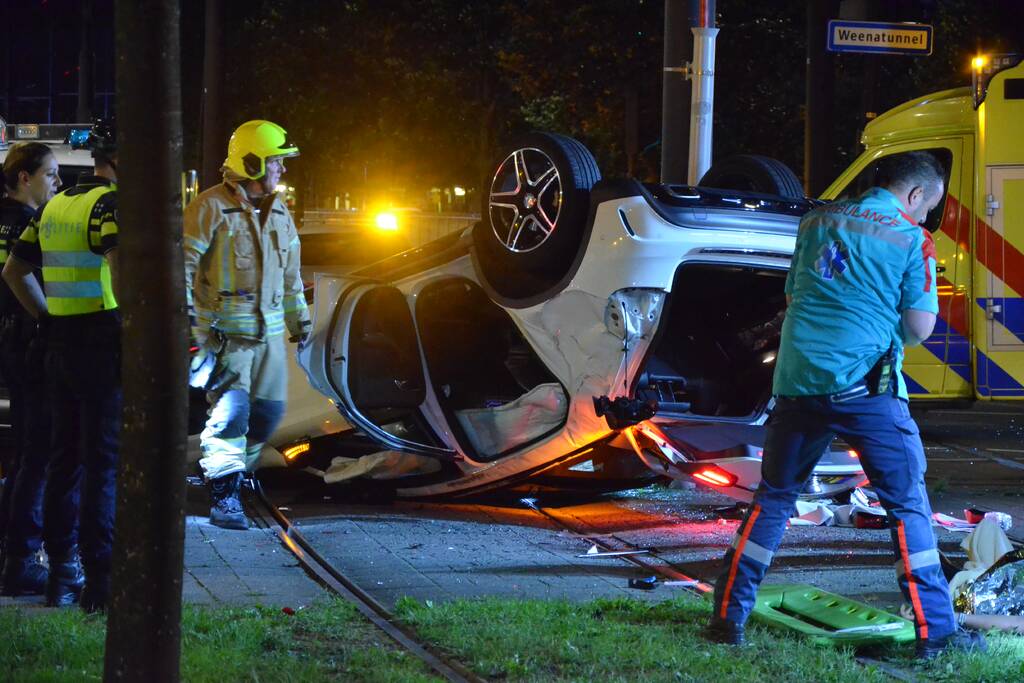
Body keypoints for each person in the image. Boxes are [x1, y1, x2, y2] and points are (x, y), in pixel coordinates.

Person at [704, 152, 987, 660]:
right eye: (929, 207)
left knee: (773, 499)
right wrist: (885, 335)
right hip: (867, 391)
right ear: (915, 195)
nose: (925, 218)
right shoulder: (909, 238)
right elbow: (920, 327)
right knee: (907, 506)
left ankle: (728, 617)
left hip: (796, 384)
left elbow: (796, 295)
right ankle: (937, 633)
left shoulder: (816, 221)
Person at [1, 118, 121, 611]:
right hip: (101, 345)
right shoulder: (110, 206)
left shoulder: (54, 207)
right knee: (102, 466)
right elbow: (124, 275)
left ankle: (60, 577)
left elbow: (15, 271)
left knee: (63, 463)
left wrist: (48, 315)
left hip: (58, 345)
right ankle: (101, 582)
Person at [184, 119, 310, 530]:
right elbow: (183, 270)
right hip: (225, 341)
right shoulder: (209, 208)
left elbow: (290, 274)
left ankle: (233, 474)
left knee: (269, 417)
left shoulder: (279, 212)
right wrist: (191, 334)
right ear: (253, 162)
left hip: (270, 340)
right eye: (276, 162)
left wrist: (300, 321)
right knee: (231, 418)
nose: (282, 170)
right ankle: (225, 496)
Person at [0, 142, 61, 595]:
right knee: (35, 453)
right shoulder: (29, 226)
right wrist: (51, 323)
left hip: (8, 342)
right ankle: (21, 558)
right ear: (25, 177)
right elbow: (28, 281)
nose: (57, 184)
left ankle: (12, 548)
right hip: (27, 342)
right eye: (51, 175)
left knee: (23, 454)